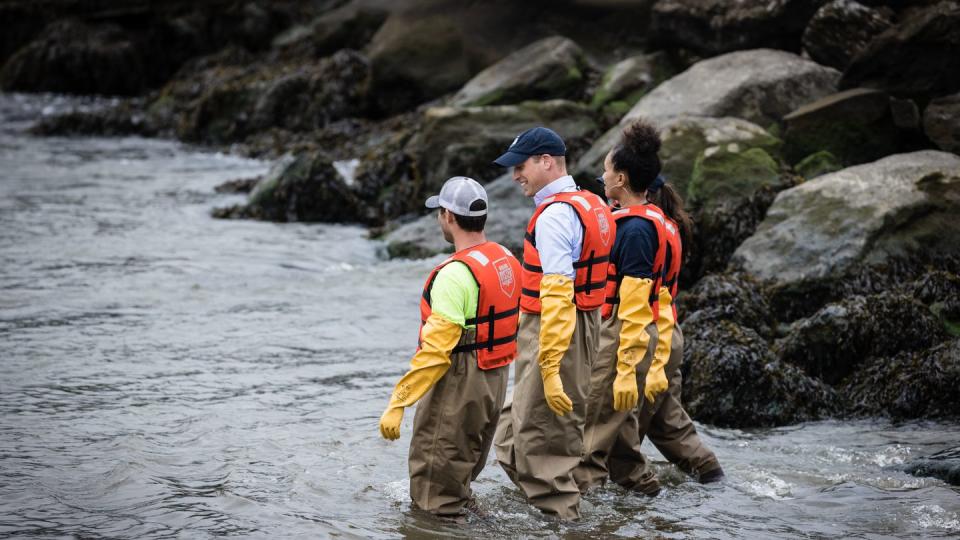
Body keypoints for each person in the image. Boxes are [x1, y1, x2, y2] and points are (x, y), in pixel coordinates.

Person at [574, 119, 723, 495]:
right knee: (665, 425)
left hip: (634, 337)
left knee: (594, 437)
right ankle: (709, 484)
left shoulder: (637, 229)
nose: (602, 177)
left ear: (621, 179)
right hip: (666, 336)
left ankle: (581, 520)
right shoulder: (660, 220)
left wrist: (624, 370)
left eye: (606, 171)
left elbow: (635, 304)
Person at [378, 176, 522, 518]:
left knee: (434, 493)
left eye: (440, 213)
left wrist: (399, 401)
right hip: (495, 377)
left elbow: (436, 351)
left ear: (448, 217)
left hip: (459, 381)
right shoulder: (505, 259)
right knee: (458, 478)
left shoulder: (454, 275)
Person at [491, 127, 614, 520]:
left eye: (521, 166)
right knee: (512, 434)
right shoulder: (591, 203)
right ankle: (556, 504)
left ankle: (562, 516)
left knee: (548, 443)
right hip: (579, 324)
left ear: (546, 162)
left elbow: (559, 296)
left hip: (558, 330)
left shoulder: (557, 215)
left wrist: (550, 364)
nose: (515, 176)